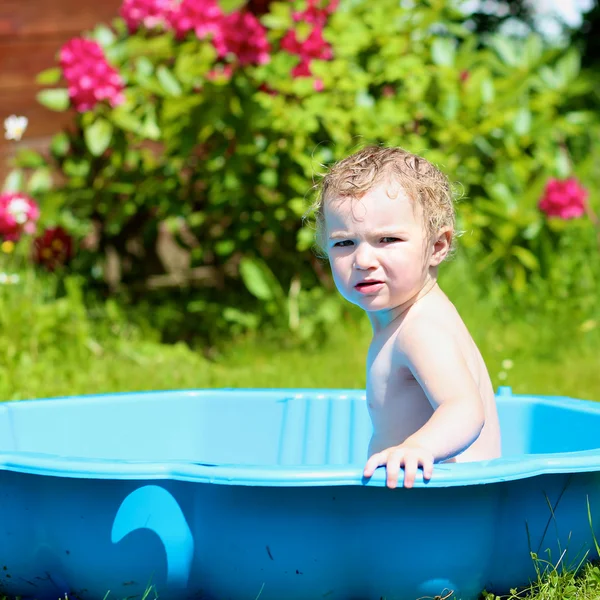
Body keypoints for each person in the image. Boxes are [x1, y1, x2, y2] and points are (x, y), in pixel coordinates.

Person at [312, 145, 502, 489]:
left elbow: (464, 409)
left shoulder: (420, 329)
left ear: (437, 247)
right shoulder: (408, 318)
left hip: (443, 509)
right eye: (344, 243)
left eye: (388, 239)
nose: (363, 259)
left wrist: (417, 448)